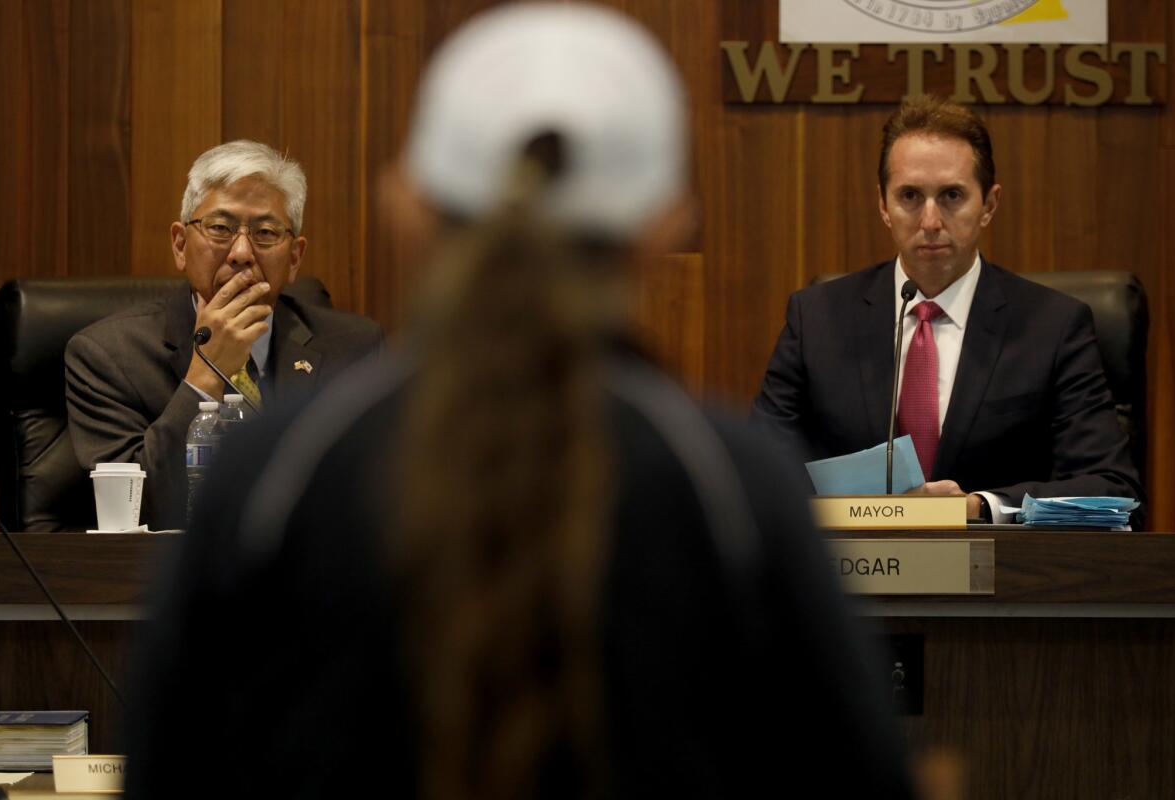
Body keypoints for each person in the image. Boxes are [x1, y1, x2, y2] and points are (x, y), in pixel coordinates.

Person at [123, 5, 914, 798]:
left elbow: (169, 767)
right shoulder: (732, 486)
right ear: (664, 223)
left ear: (407, 207)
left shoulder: (276, 473)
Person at [752, 95, 1142, 522]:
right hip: (855, 577)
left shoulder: (1052, 327)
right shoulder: (817, 319)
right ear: (883, 205)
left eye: (952, 195)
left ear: (989, 204)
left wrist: (976, 506)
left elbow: (1110, 486)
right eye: (910, 196)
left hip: (1003, 578)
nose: (931, 221)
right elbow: (756, 470)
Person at [64, 141, 384, 530]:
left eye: (265, 232)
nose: (242, 252)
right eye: (220, 228)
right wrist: (206, 374)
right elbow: (135, 514)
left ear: (295, 257)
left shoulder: (355, 349)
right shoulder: (106, 356)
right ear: (181, 245)